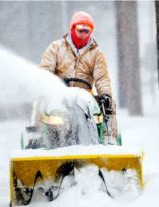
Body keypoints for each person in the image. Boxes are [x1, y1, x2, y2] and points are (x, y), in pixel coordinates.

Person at [39, 11, 118, 140]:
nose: (83, 34)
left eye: (87, 31)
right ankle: (41, 137)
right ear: (72, 29)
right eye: (80, 30)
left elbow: (101, 77)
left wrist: (105, 95)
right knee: (41, 102)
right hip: (59, 95)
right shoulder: (56, 48)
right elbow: (45, 70)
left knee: (109, 105)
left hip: (85, 98)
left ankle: (107, 138)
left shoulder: (96, 53)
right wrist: (48, 87)